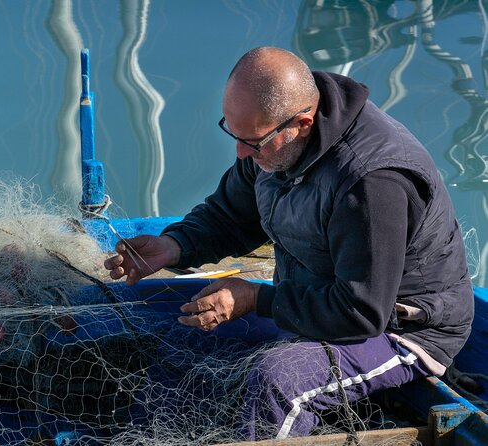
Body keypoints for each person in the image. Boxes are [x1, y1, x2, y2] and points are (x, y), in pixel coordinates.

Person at [104, 47, 474, 439]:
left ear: (301, 123)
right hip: (311, 299)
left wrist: (255, 299)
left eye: (253, 143)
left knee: (279, 380)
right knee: (185, 332)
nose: (241, 152)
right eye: (234, 134)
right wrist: (173, 246)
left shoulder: (371, 182)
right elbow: (231, 215)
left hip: (401, 329)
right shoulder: (271, 137)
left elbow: (361, 312)